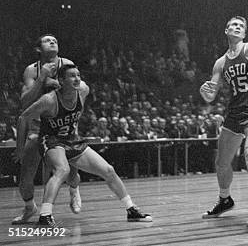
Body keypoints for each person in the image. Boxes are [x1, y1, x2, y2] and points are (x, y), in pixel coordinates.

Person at [16, 64, 152, 226]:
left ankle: (131, 210)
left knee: (108, 170)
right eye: (72, 76)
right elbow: (23, 118)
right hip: (52, 140)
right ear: (61, 81)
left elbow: (81, 84)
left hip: (73, 139)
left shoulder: (83, 91)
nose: (77, 79)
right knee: (63, 170)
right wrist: (20, 149)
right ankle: (45, 215)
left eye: (79, 75)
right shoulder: (49, 100)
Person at [200, 16, 248, 232]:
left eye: (241, 26)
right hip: (233, 114)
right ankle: (225, 199)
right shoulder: (220, 63)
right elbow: (210, 95)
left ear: (244, 34)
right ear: (226, 31)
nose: (237, 27)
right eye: (233, 25)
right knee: (221, 163)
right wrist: (204, 92)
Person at [12, 34, 83, 224]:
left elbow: (78, 88)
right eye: (47, 40)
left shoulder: (67, 63)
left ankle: (74, 190)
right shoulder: (31, 70)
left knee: (72, 173)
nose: (53, 42)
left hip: (62, 128)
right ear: (38, 49)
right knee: (25, 178)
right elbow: (25, 103)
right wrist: (43, 77)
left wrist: (55, 83)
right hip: (37, 128)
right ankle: (29, 208)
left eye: (55, 41)